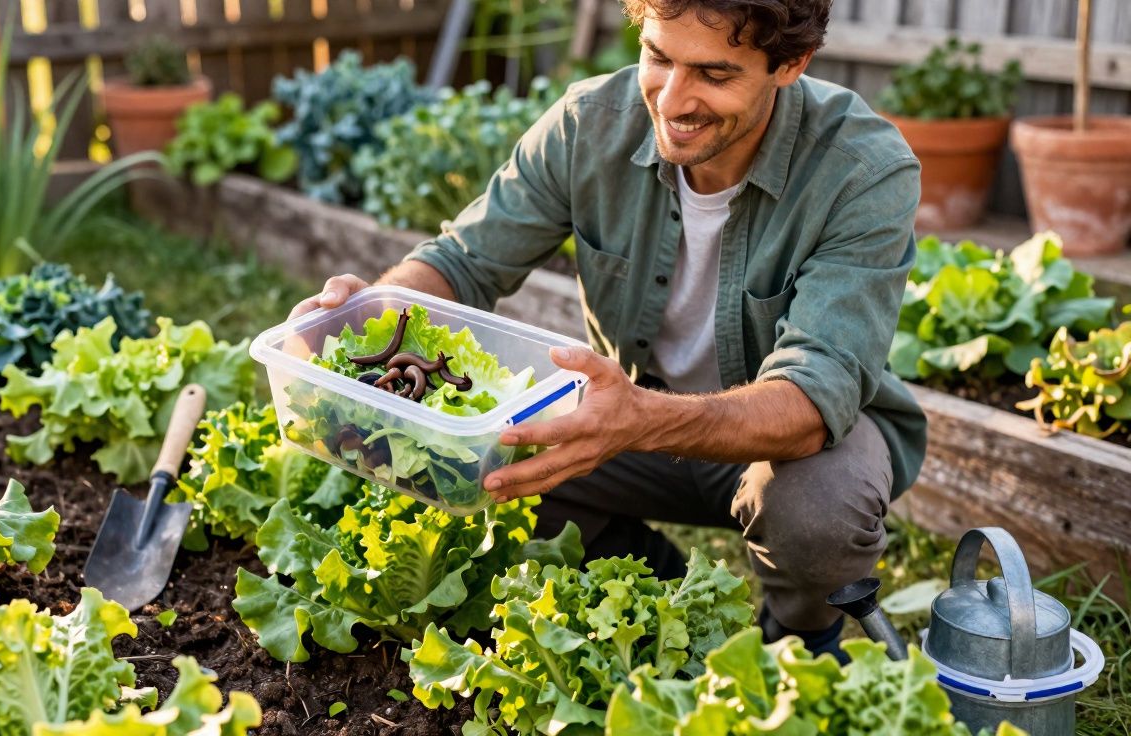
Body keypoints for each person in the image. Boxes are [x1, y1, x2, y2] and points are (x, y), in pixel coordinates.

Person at [289, 0, 926, 658]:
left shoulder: (862, 168)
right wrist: (371, 311)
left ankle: (799, 634)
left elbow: (809, 401)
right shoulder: (589, 122)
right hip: (631, 415)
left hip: (782, 443)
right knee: (477, 460)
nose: (673, 99)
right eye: (658, 57)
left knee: (818, 518)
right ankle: (666, 591)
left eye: (713, 74)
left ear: (790, 64)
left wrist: (640, 420)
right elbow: (464, 261)